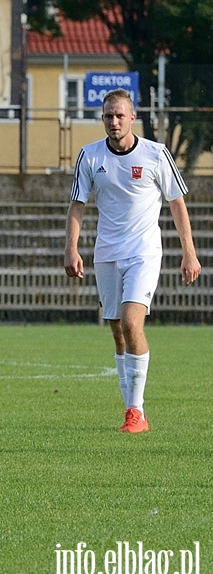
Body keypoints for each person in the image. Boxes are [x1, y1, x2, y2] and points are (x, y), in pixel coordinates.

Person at [64, 88, 201, 433]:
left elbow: (177, 203)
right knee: (117, 330)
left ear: (132, 118)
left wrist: (189, 252)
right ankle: (130, 409)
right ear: (103, 118)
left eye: (120, 115)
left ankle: (136, 413)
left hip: (143, 252)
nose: (113, 121)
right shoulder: (89, 156)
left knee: (130, 321)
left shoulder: (156, 154)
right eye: (108, 115)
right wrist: (72, 248)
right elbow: (77, 205)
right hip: (106, 253)